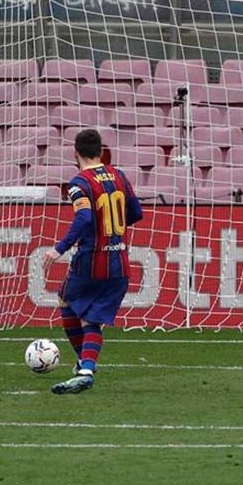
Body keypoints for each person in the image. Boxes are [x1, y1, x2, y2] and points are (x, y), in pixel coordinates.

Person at [43, 129, 144, 395]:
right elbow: (136, 213)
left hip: (90, 260)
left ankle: (84, 364)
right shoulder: (120, 176)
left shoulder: (79, 183)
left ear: (74, 153)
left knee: (66, 300)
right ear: (102, 151)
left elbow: (85, 217)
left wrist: (60, 248)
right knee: (91, 321)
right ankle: (85, 368)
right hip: (120, 262)